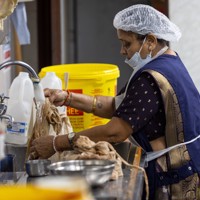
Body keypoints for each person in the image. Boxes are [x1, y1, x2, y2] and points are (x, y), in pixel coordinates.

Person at [30, 4, 200, 200]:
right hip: (185, 164)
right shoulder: (168, 62)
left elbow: (115, 131)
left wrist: (57, 142)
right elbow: (117, 106)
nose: (122, 51)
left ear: (151, 41)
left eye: (127, 43)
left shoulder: (151, 78)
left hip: (174, 178)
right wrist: (68, 98)